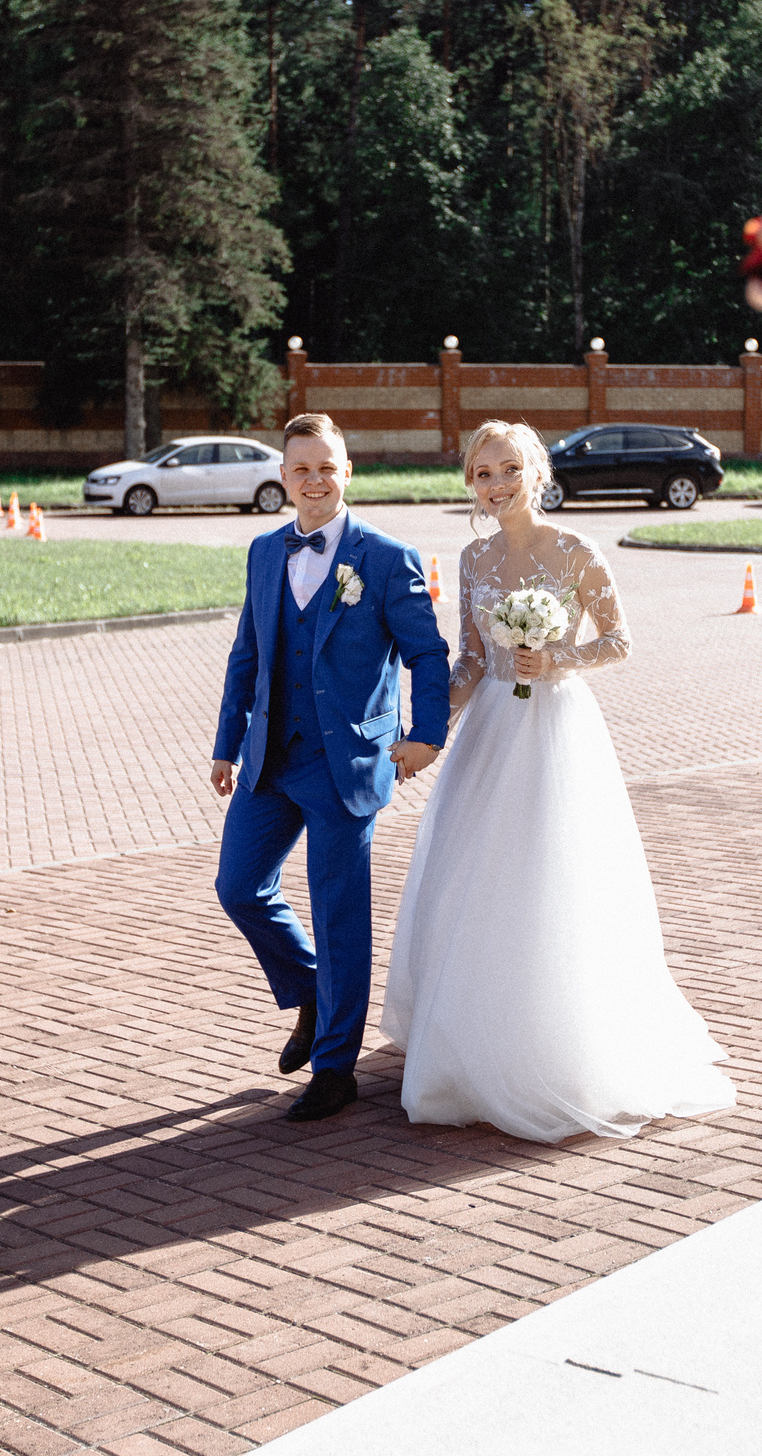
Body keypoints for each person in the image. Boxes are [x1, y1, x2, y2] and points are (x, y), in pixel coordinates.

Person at [380, 421, 735, 1142]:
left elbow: (619, 640)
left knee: (553, 876)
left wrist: (560, 658)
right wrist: (427, 724)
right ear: (470, 483)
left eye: (509, 468)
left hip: (557, 733)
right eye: (483, 472)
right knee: (471, 878)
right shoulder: (475, 557)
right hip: (490, 737)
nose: (497, 483)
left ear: (535, 471)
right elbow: (473, 662)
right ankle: (470, 1042)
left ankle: (555, 1046)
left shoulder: (576, 550)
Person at [210, 412, 450, 1123]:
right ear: (283, 477)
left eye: (326, 466)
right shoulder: (263, 551)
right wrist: (227, 743)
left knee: (339, 912)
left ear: (348, 472)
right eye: (300, 468)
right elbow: (246, 656)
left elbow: (427, 654)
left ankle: (335, 1066)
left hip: (347, 762)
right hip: (272, 759)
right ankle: (314, 989)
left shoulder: (386, 556)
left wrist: (425, 733)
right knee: (239, 887)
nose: (314, 480)